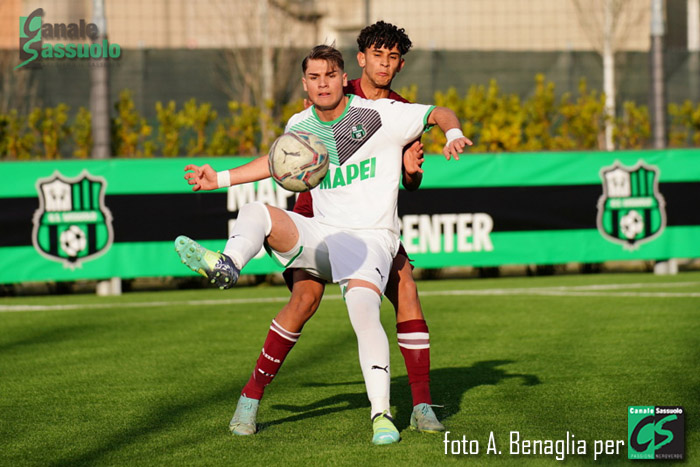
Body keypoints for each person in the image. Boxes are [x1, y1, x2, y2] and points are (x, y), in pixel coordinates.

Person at [175, 44, 471, 445]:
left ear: (343, 77)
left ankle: (383, 415)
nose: (323, 84)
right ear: (305, 84)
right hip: (323, 232)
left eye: (330, 75)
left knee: (365, 311)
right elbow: (275, 162)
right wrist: (220, 179)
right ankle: (228, 264)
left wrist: (453, 133)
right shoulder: (301, 122)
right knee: (257, 212)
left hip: (370, 240)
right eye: (314, 77)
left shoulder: (382, 114)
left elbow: (437, 112)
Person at [284, 21, 444, 434]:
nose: (384, 64)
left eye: (392, 57)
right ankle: (251, 397)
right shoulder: (338, 91)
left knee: (407, 289)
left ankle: (421, 406)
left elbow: (409, 180)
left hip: (370, 225)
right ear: (361, 59)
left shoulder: (401, 110)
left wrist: (412, 172)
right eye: (377, 55)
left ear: (400, 64)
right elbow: (302, 144)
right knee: (304, 300)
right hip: (317, 214)